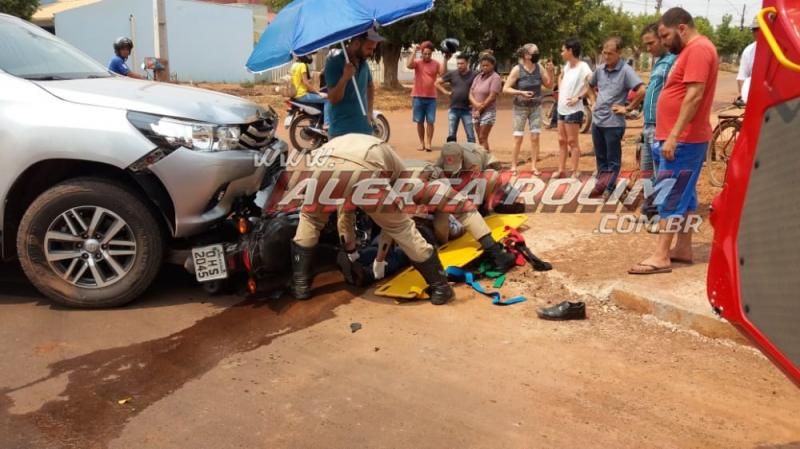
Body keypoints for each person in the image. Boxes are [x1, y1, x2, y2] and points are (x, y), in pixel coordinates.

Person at [290, 134, 454, 305]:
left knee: (311, 220)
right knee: (402, 229)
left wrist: (352, 254)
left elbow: (345, 213)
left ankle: (301, 285)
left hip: (321, 168)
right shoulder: (396, 164)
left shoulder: (342, 142)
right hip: (363, 171)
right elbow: (394, 224)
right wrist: (380, 259)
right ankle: (440, 287)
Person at [628, 7, 719, 275]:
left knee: (671, 194)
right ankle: (683, 248)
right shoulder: (691, 51)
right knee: (686, 197)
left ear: (681, 27)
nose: (664, 41)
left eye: (666, 35)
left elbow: (694, 95)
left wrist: (675, 136)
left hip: (683, 140)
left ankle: (661, 255)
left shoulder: (699, 50)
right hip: (677, 138)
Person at [586, 37, 646, 198]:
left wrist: (627, 108)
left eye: (610, 54)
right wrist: (593, 102)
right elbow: (589, 85)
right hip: (597, 121)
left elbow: (641, 90)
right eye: (604, 53)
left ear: (619, 53)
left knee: (613, 158)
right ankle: (601, 185)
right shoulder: (599, 69)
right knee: (600, 156)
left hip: (613, 123)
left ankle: (610, 188)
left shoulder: (626, 70)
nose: (606, 57)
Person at [503, 43, 555, 174]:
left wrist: (551, 71)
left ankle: (533, 166)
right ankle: (513, 166)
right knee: (518, 137)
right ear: (526, 55)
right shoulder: (517, 69)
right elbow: (506, 89)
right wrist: (520, 93)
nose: (537, 54)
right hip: (520, 107)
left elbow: (549, 85)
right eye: (534, 52)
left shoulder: (540, 68)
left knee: (535, 137)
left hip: (536, 107)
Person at [325, 29, 382, 139]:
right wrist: (344, 78)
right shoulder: (334, 62)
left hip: (364, 130)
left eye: (373, 49)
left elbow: (370, 85)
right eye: (369, 48)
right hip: (342, 133)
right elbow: (333, 99)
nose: (371, 53)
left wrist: (369, 111)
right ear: (356, 44)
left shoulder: (363, 62)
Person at [640, 23, 677, 179]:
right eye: (646, 45)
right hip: (648, 126)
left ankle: (658, 203)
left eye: (651, 43)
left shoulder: (674, 60)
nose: (648, 49)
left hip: (660, 129)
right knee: (647, 175)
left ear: (662, 39)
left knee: (660, 176)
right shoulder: (659, 62)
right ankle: (651, 203)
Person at [555, 38, 593, 178]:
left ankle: (574, 170)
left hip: (574, 109)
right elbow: (561, 77)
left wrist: (579, 97)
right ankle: (561, 169)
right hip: (561, 108)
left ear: (570, 51)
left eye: (563, 50)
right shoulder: (566, 66)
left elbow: (591, 83)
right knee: (561, 140)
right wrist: (561, 89)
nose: (561, 53)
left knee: (572, 141)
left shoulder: (583, 67)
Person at [407, 41, 447, 152]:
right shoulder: (418, 63)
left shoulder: (436, 63)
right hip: (418, 97)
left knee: (430, 121)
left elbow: (443, 73)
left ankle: (429, 143)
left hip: (431, 98)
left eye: (429, 54)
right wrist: (414, 51)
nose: (427, 56)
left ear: (431, 54)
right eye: (425, 54)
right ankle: (422, 143)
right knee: (419, 121)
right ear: (422, 53)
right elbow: (408, 65)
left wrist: (445, 59)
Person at [436, 55, 477, 143]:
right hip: (453, 109)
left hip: (468, 109)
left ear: (467, 63)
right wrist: (446, 92)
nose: (459, 65)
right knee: (451, 135)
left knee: (470, 135)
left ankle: (473, 154)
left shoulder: (474, 75)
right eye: (458, 63)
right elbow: (437, 83)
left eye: (462, 63)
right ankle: (452, 154)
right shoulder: (452, 74)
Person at [470, 53, 503, 152]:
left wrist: (480, 109)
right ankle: (485, 159)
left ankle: (486, 160)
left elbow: (492, 96)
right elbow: (470, 92)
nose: (484, 67)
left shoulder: (495, 78)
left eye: (487, 65)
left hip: (488, 112)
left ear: (493, 65)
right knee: (480, 138)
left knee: (483, 137)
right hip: (476, 111)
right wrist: (476, 105)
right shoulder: (478, 77)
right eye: (482, 65)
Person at [290, 55, 330, 127]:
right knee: (328, 99)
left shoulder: (294, 65)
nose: (310, 57)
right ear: (304, 56)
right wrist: (318, 93)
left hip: (295, 94)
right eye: (308, 56)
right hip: (302, 95)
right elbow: (306, 82)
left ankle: (318, 120)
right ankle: (326, 123)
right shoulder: (302, 65)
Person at [737, 17, 761, 101]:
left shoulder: (782, 49)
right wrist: (742, 96)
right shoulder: (748, 51)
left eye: (757, 29)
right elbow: (742, 76)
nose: (754, 32)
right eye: (753, 29)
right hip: (754, 97)